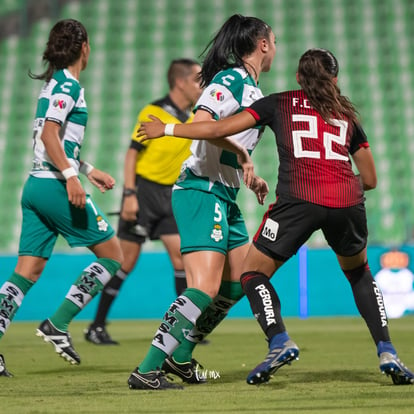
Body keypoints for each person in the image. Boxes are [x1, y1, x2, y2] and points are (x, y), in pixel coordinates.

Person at [138, 48, 414, 386]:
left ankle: (278, 340)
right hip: (347, 201)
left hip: (298, 200)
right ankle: (387, 350)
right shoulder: (348, 117)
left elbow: (216, 128)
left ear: (298, 78)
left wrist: (166, 129)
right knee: (358, 273)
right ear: (336, 79)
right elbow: (370, 180)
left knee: (251, 273)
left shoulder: (279, 102)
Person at [126, 14, 275, 390]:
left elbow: (224, 140)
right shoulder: (229, 80)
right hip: (200, 189)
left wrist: (246, 168)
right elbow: (205, 121)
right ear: (262, 45)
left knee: (242, 281)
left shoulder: (254, 92)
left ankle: (180, 356)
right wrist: (169, 129)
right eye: (273, 41)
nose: (275, 49)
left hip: (225, 193)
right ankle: (147, 369)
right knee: (205, 287)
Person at [0, 19, 123, 377]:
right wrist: (71, 177)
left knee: (27, 271)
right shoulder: (68, 85)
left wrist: (86, 168)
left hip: (35, 186)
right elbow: (51, 136)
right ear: (84, 47)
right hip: (55, 186)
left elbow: (53, 140)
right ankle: (58, 323)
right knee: (114, 256)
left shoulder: (53, 85)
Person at [83, 59, 203, 345]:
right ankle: (96, 326)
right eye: (199, 79)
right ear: (181, 82)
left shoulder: (197, 115)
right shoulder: (153, 112)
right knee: (124, 263)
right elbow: (131, 154)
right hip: (144, 193)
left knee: (180, 259)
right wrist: (129, 195)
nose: (203, 85)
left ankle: (184, 328)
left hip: (171, 194)